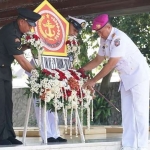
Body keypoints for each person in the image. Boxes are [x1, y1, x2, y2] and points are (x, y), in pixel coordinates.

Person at [79, 14, 150, 150]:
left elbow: (111, 64)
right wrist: (80, 70)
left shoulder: (119, 38)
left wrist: (93, 80)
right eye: (97, 32)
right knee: (127, 112)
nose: (99, 35)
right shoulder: (104, 39)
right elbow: (98, 60)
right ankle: (129, 145)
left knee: (140, 112)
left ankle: (143, 146)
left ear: (109, 27)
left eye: (100, 31)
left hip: (139, 76)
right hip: (126, 77)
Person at [33, 15, 87, 143]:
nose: (75, 33)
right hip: (42, 70)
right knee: (42, 105)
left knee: (55, 104)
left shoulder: (70, 43)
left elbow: (70, 62)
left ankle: (55, 134)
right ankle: (46, 134)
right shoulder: (52, 36)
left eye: (77, 31)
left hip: (58, 74)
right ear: (67, 25)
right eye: (74, 29)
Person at [0, 8, 41, 145]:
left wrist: (26, 46)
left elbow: (14, 48)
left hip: (4, 70)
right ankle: (1, 137)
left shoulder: (16, 31)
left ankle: (8, 134)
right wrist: (40, 75)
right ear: (22, 21)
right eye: (29, 25)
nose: (30, 28)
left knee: (7, 104)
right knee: (0, 103)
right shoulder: (9, 32)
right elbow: (22, 61)